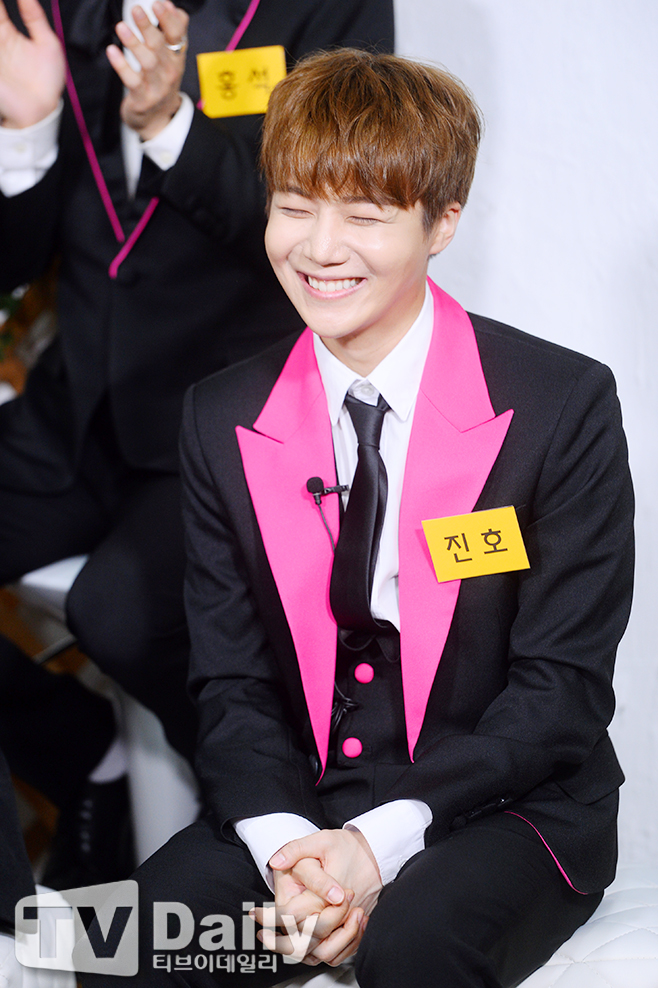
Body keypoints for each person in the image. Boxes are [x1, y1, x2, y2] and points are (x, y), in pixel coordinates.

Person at [81, 48, 634, 987]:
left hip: (507, 806)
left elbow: (561, 691)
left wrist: (378, 847)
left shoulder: (561, 403)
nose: (320, 249)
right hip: (303, 804)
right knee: (113, 949)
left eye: (366, 216)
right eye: (295, 206)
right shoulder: (221, 415)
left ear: (443, 221)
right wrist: (285, 849)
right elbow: (229, 682)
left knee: (410, 948)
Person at [0, 0, 394, 886]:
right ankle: (75, 761)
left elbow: (336, 228)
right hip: (74, 408)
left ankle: (281, 822)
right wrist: (26, 129)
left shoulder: (323, 8)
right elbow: (13, 265)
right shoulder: (47, 12)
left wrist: (166, 123)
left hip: (224, 413)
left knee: (119, 614)